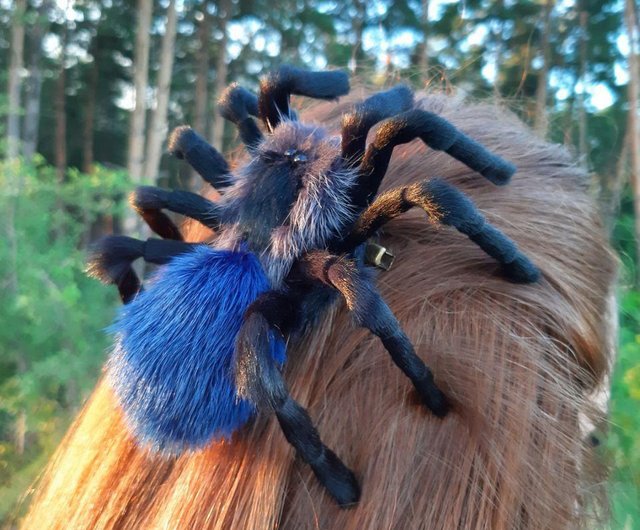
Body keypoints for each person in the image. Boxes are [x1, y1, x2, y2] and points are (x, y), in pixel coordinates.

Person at [22, 89, 616, 530]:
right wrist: (423, 378)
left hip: (204, 283)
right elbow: (408, 165)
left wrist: (157, 286)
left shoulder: (217, 204)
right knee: (396, 209)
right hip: (242, 286)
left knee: (140, 225)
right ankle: (325, 457)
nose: (299, 152)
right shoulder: (329, 251)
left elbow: (147, 206)